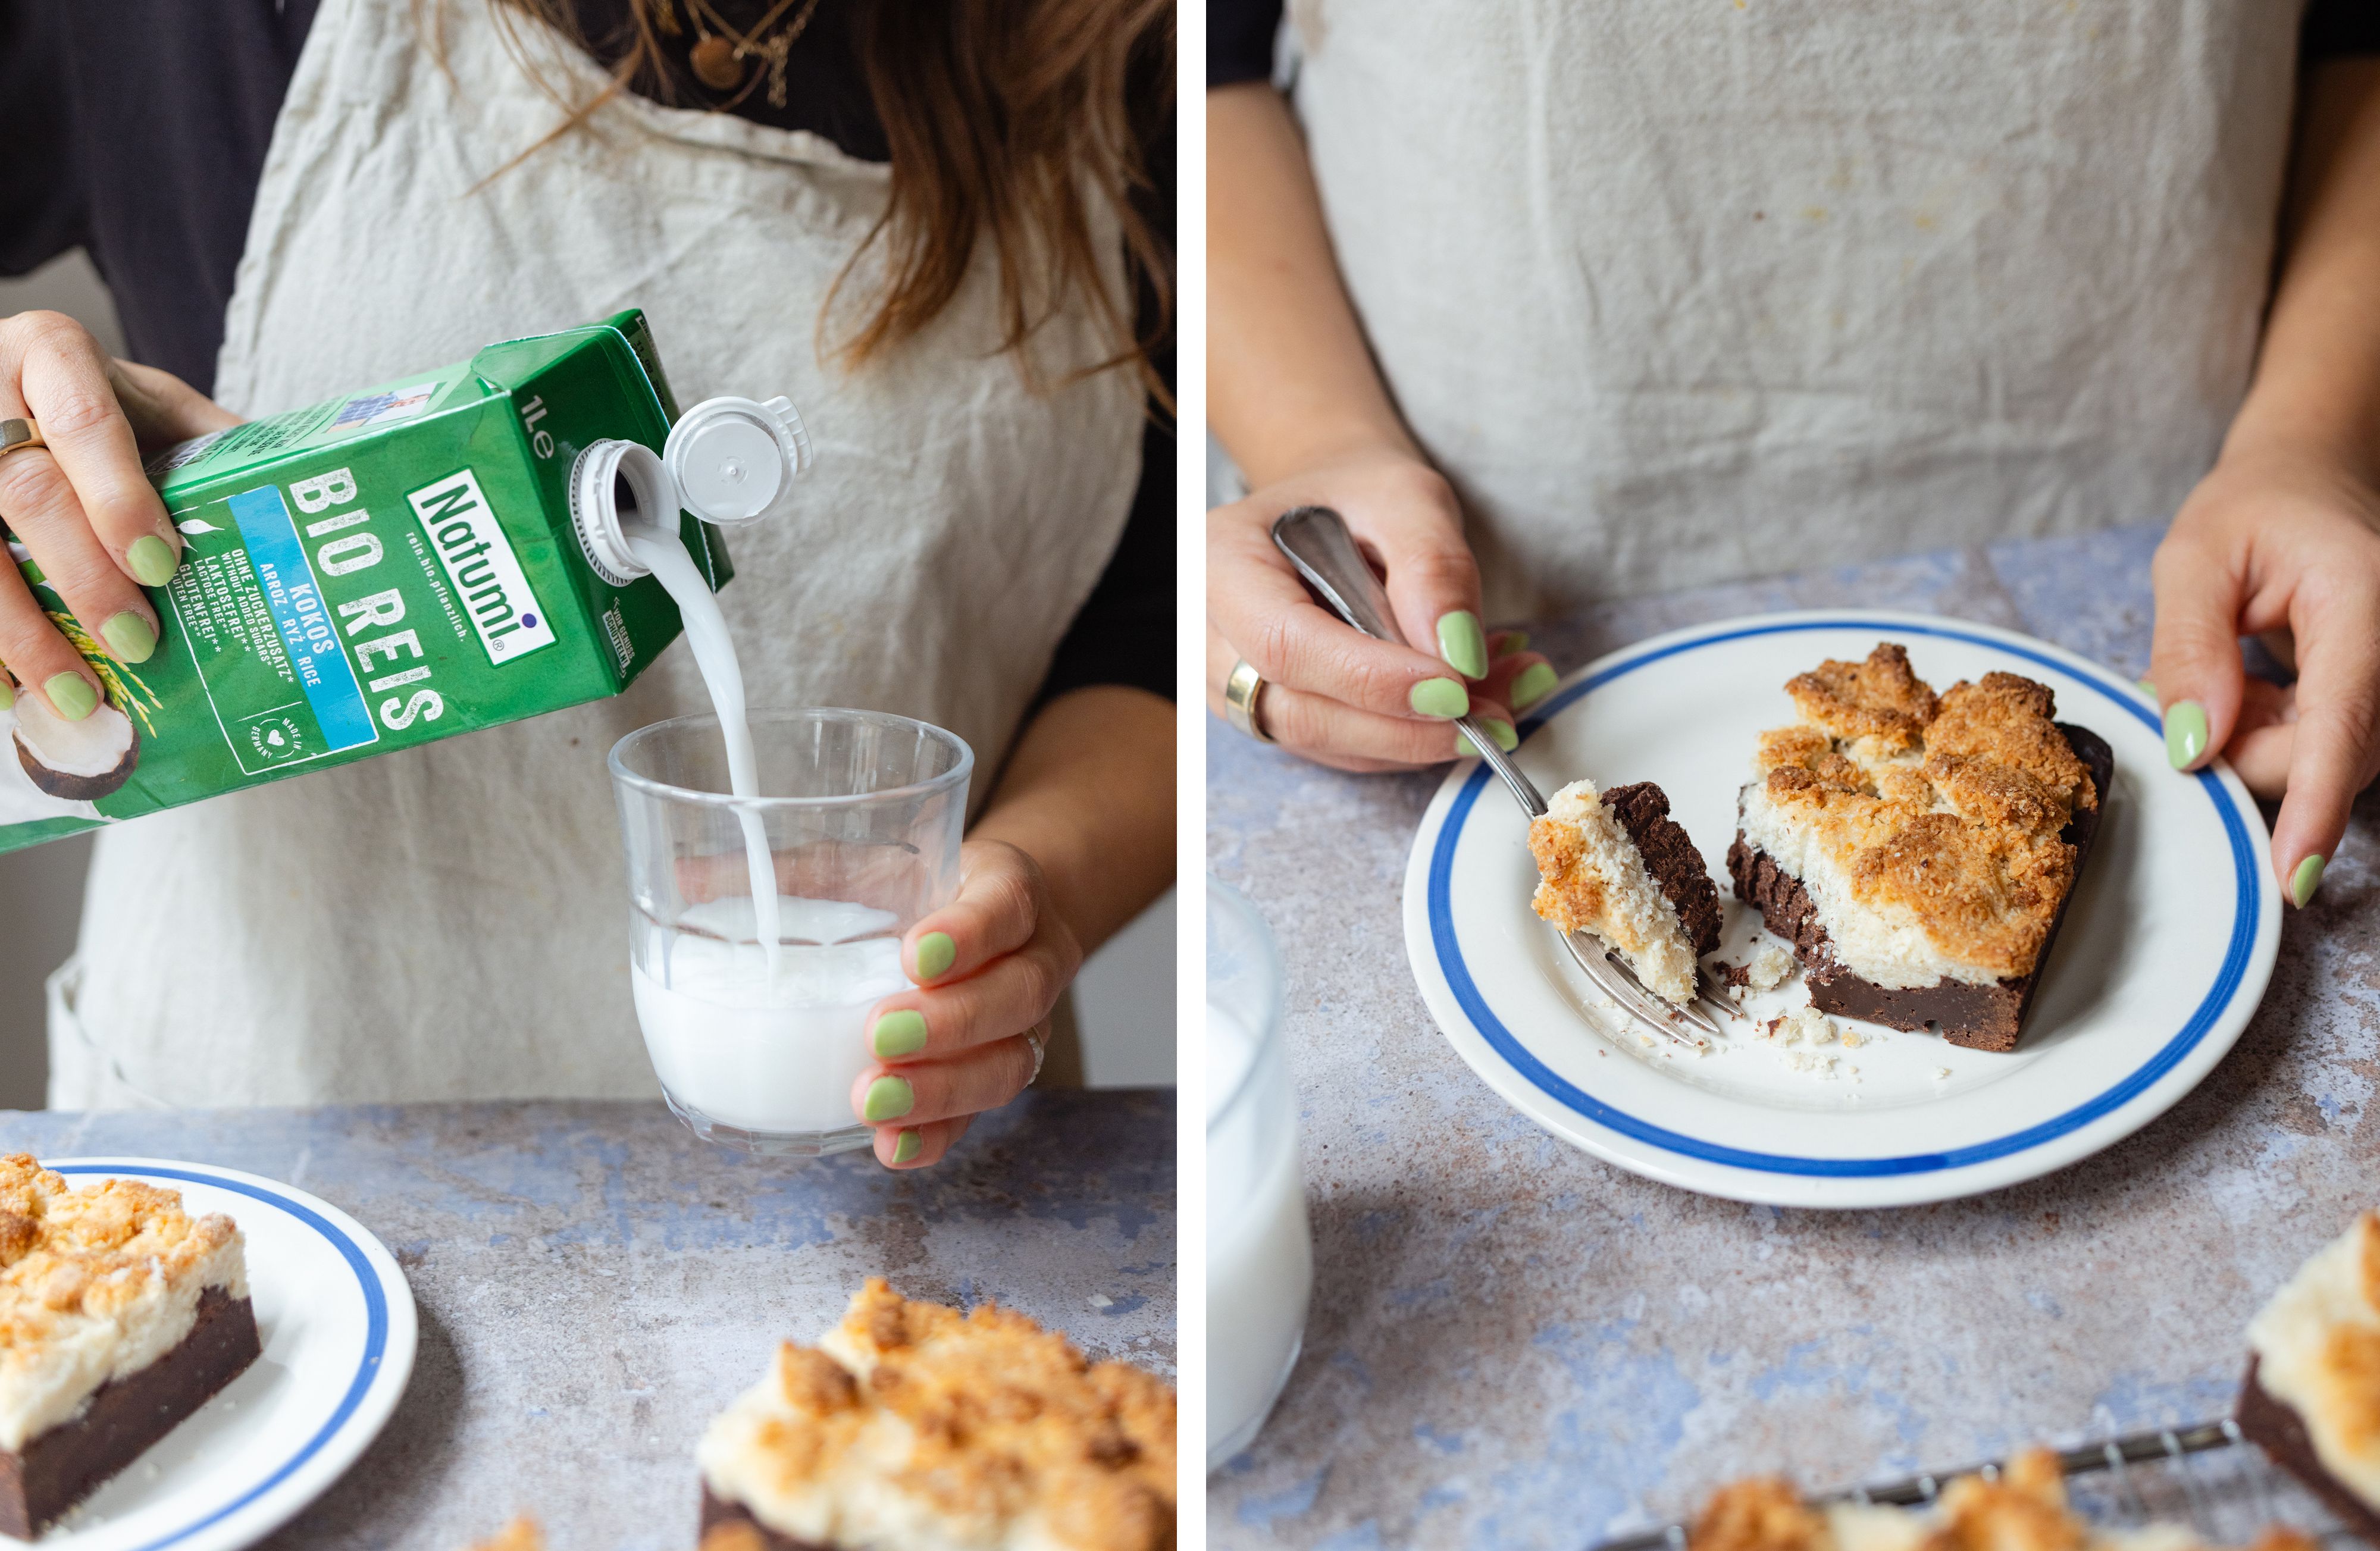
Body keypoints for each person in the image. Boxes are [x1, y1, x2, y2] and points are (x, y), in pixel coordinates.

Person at [0, 0, 1175, 1169]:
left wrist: (1029, 896)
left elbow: (1151, 621)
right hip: (264, 1161)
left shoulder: (1135, 51)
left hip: (898, 1144)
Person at [1206, 2, 2380, 911]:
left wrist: (2312, 442)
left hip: (2161, 556)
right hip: (1483, 593)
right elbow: (1188, 62)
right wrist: (1316, 441)